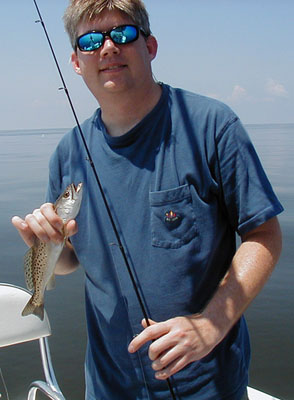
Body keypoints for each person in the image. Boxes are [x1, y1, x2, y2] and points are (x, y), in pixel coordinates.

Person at [12, 0, 283, 399]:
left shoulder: (211, 126)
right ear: (75, 62)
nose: (107, 48)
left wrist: (211, 324)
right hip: (106, 385)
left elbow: (264, 234)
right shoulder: (67, 153)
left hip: (206, 385)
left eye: (122, 34)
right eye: (90, 40)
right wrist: (50, 247)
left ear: (150, 46)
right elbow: (71, 260)